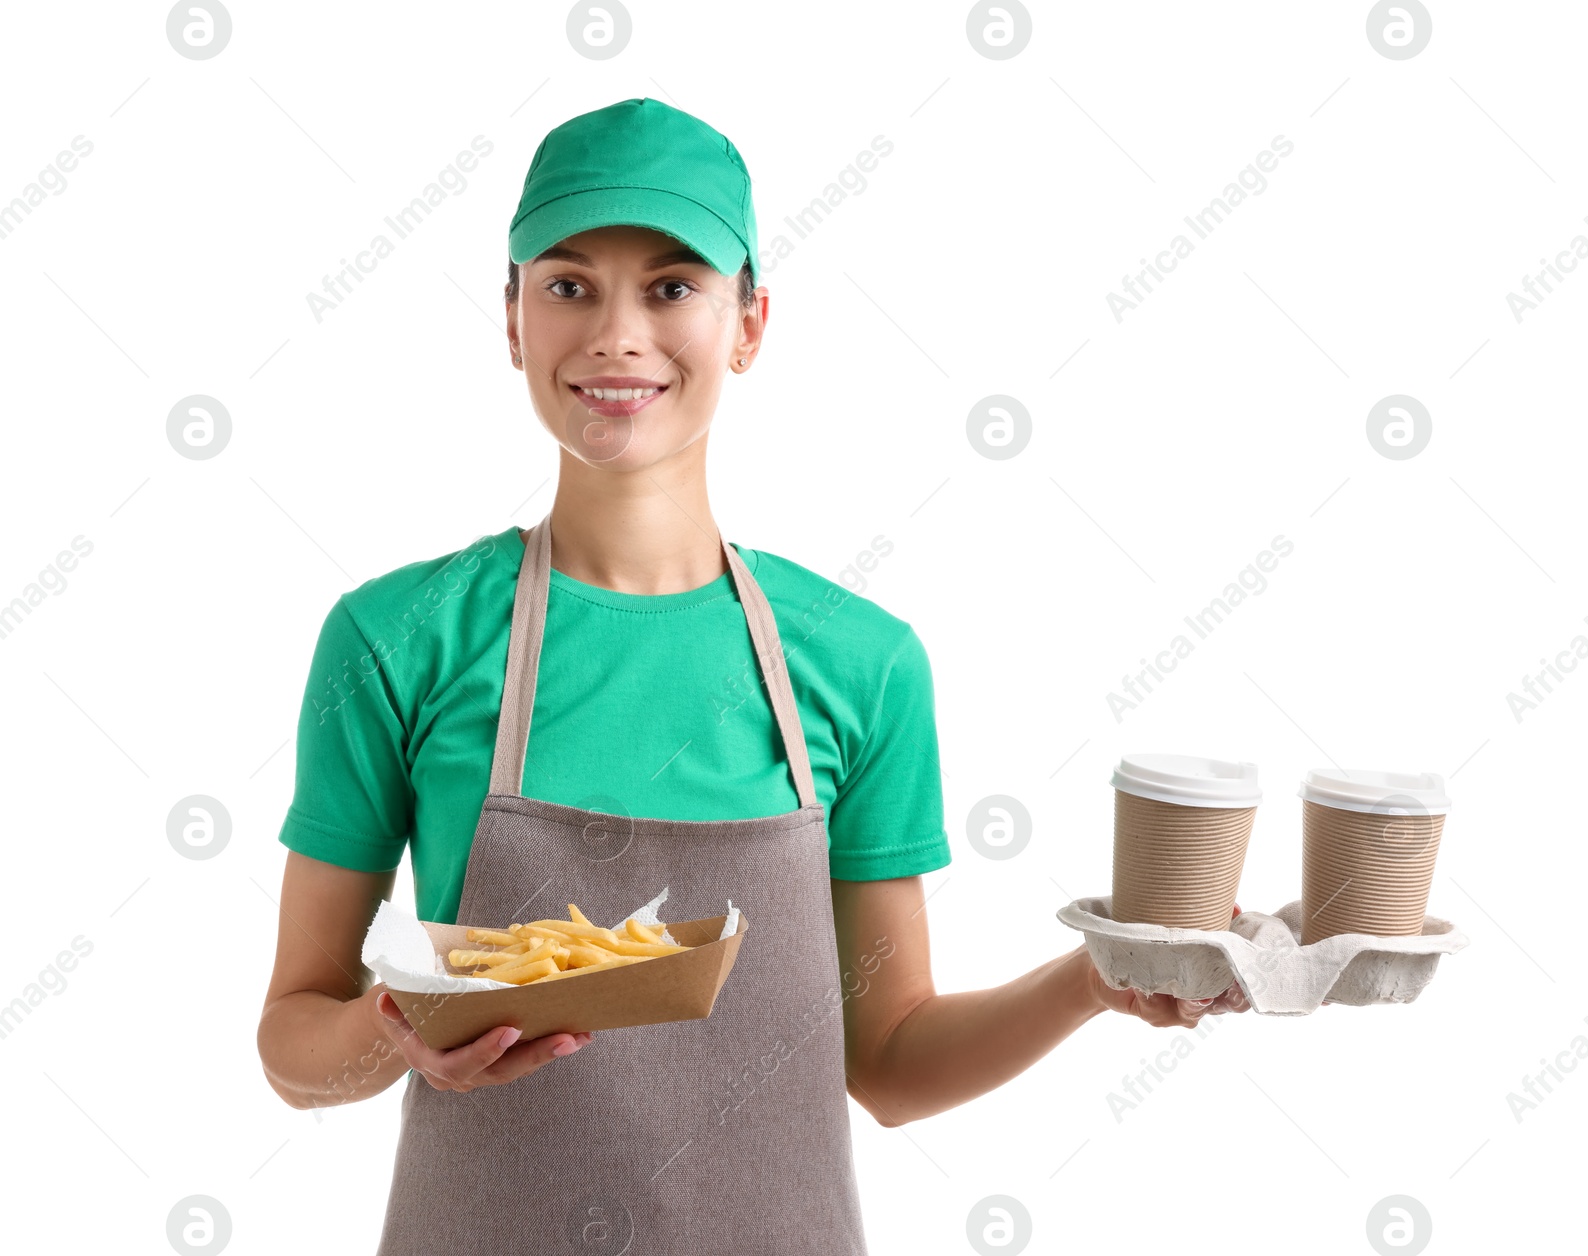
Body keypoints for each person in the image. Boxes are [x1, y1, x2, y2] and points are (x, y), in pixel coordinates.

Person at [256, 97, 1249, 1253]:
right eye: (569, 284)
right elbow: (292, 1047)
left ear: (751, 322)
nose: (617, 334)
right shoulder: (398, 637)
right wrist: (401, 1028)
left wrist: (1095, 978)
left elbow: (887, 1062)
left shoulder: (860, 662)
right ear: (514, 318)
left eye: (673, 286)